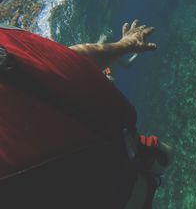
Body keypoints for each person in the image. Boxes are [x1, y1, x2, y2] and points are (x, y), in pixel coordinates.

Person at [0, 20, 173, 209]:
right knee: (165, 155)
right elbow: (61, 62)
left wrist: (123, 46)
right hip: (121, 154)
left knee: (165, 155)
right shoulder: (8, 40)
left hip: (117, 160)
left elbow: (60, 62)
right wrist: (123, 46)